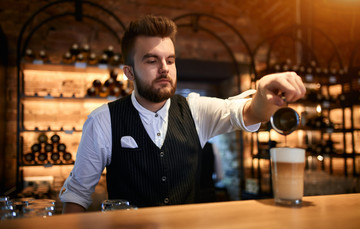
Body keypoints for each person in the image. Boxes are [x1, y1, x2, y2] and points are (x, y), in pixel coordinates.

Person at [59, 15, 306, 213]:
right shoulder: (103, 120)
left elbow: (249, 113)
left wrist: (264, 92)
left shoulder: (195, 110)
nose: (164, 68)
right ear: (129, 72)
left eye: (170, 59)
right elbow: (78, 194)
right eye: (151, 60)